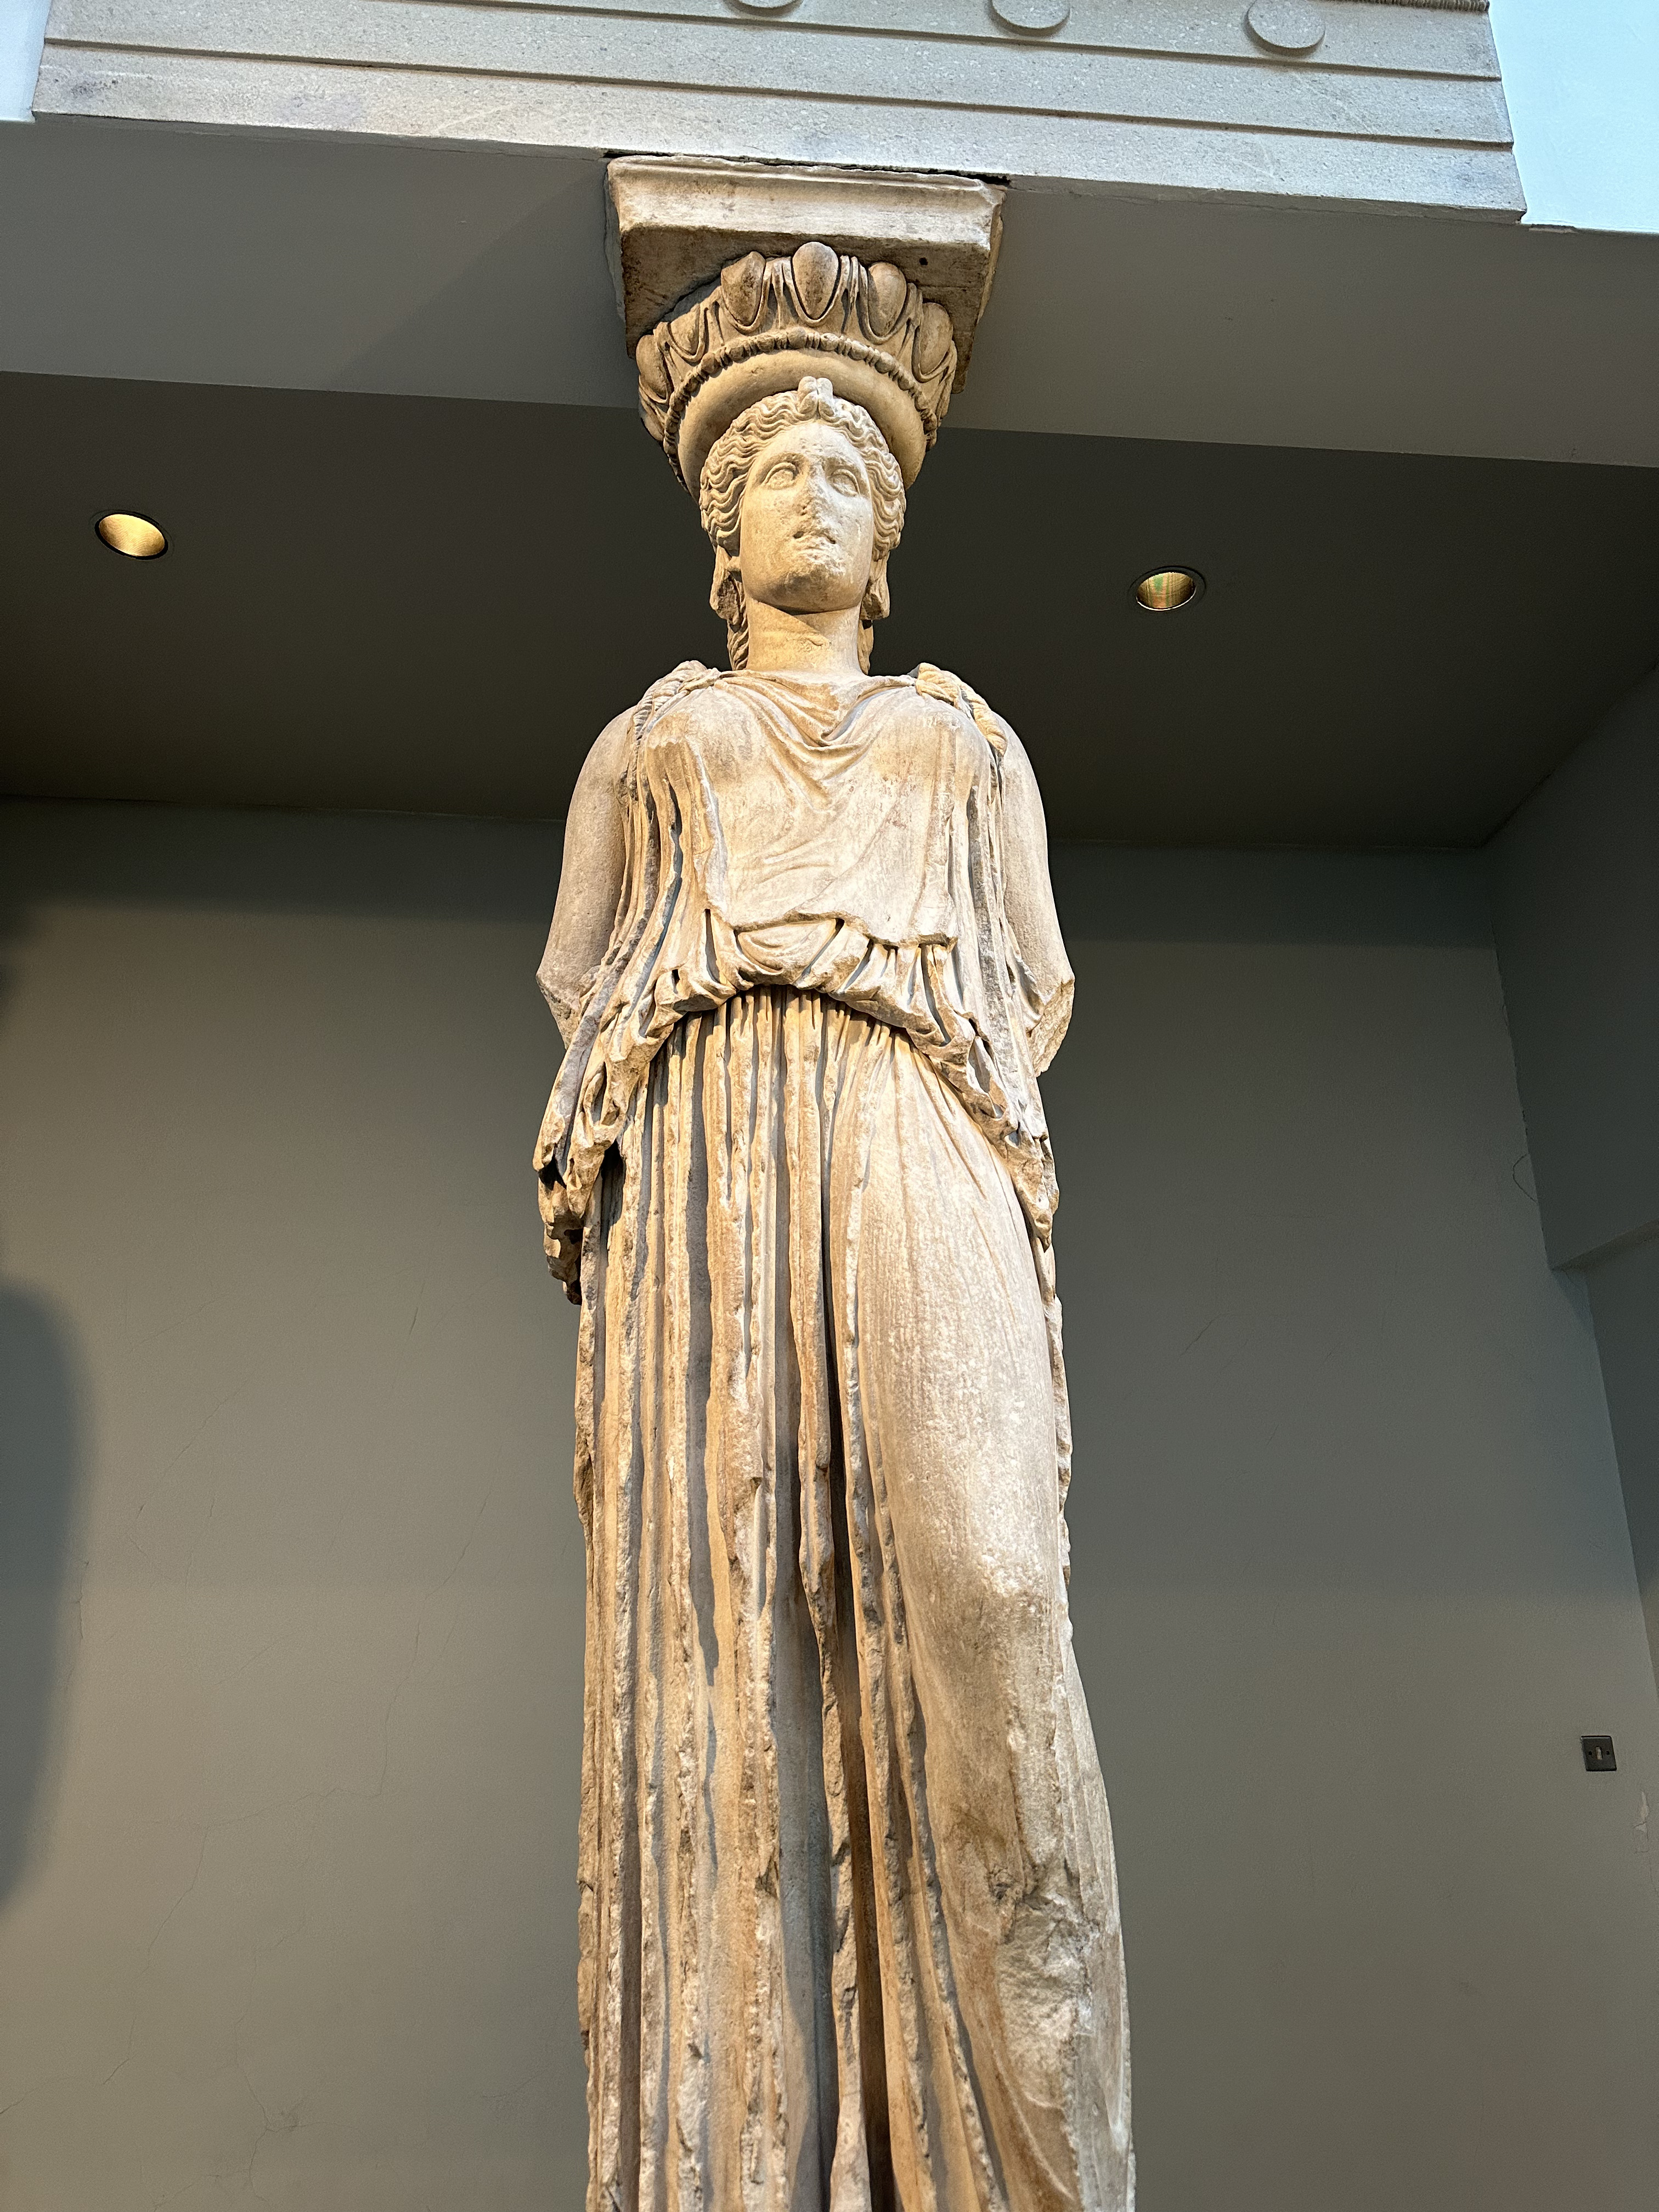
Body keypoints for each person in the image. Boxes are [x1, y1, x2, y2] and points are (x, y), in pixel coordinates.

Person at [535, 360, 1132, 2211]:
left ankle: (1020, 2164)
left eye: (842, 470)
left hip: (917, 1102)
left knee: (991, 1584)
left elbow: (1032, 984)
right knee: (716, 1643)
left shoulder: (970, 736)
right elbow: (582, 975)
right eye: (774, 472)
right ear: (725, 540)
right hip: (709, 1129)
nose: (811, 494)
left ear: (888, 531)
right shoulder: (651, 739)